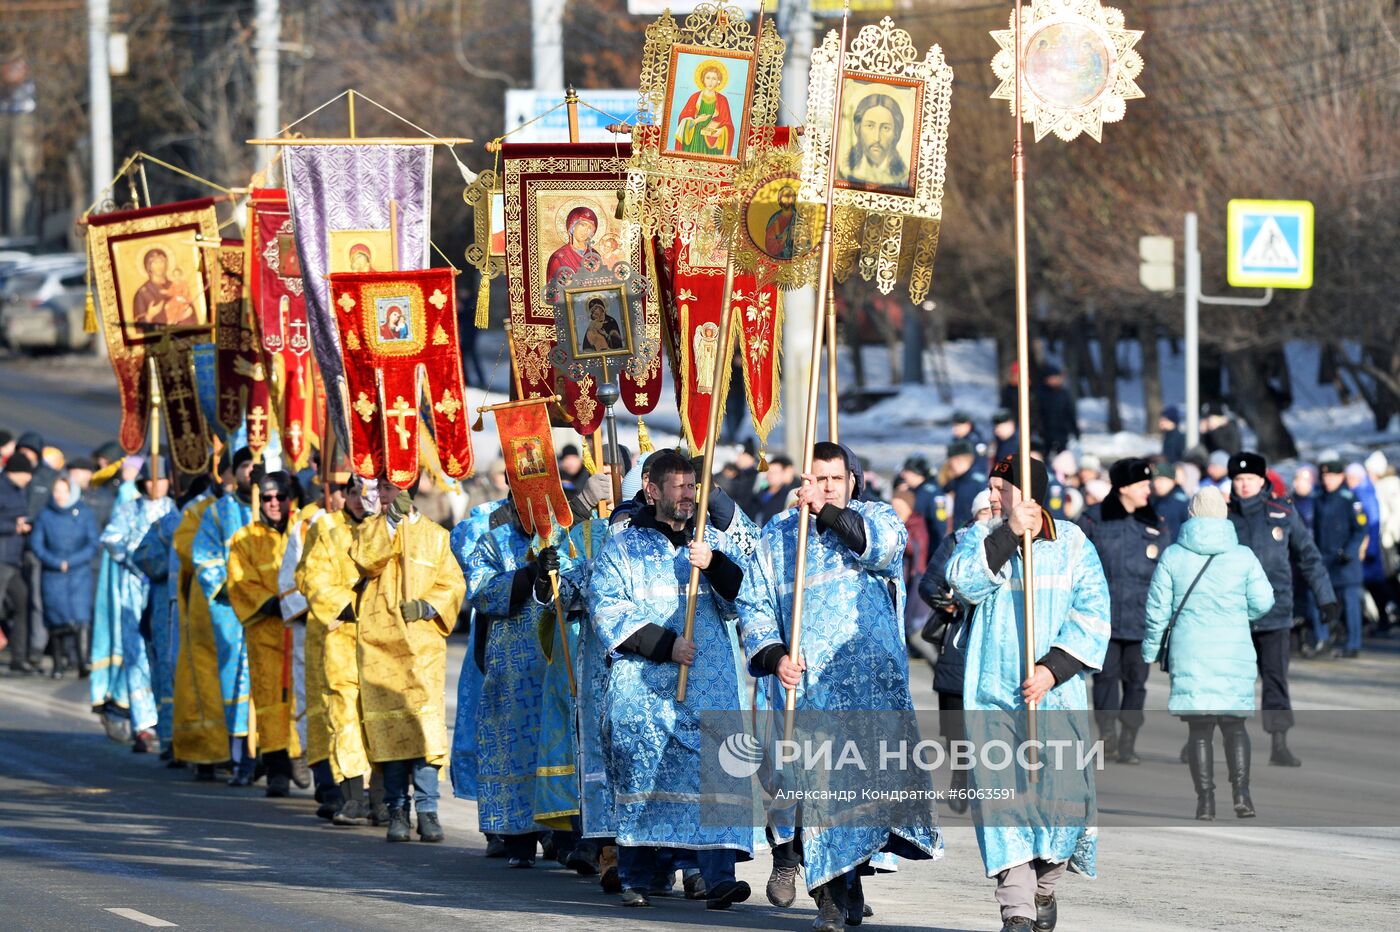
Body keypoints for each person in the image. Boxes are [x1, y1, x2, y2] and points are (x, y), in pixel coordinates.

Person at [739, 442, 940, 930]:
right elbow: (756, 605)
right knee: (823, 790)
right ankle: (830, 896)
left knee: (865, 791)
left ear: (852, 479)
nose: (827, 486)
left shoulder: (879, 518)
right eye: (818, 478)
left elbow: (882, 550)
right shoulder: (779, 535)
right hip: (812, 687)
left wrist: (827, 513)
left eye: (836, 478)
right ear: (801, 481)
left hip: (872, 686)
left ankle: (849, 883)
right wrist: (775, 656)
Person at [946, 454, 1110, 932]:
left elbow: (1094, 613)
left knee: (1062, 803)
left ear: (1029, 491)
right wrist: (1003, 536)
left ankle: (1043, 887)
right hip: (994, 697)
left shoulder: (1073, 543)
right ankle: (1015, 908)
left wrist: (1052, 669)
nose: (993, 497)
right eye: (992, 489)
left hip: (1054, 697)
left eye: (1002, 488)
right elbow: (961, 582)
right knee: (1004, 801)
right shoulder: (981, 538)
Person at [588, 450, 756, 910]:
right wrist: (665, 644)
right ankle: (639, 875)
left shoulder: (707, 542)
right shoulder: (623, 546)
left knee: (717, 770)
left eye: (692, 486)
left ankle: (718, 874)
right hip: (646, 687)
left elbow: (744, 599)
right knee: (646, 772)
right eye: (680, 486)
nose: (688, 495)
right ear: (652, 491)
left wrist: (716, 564)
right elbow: (607, 608)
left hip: (710, 681)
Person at [463, 475, 606, 867]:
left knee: (562, 748)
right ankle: (516, 838)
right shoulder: (492, 541)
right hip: (512, 670)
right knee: (514, 749)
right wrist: (527, 575)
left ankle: (563, 835)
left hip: (557, 663)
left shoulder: (571, 535)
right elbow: (480, 590)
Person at [1142, 487, 1274, 820]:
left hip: (1190, 652)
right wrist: (1235, 615)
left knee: (1199, 730)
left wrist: (1151, 650)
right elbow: (1264, 601)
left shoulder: (1173, 555)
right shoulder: (1243, 556)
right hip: (1233, 650)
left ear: (1191, 515)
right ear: (1224, 514)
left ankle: (1206, 801)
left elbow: (1157, 609)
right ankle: (1242, 795)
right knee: (1235, 725)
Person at [351, 480, 466, 844]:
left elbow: (453, 583)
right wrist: (389, 523)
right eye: (382, 489)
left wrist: (428, 605)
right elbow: (366, 562)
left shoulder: (435, 535)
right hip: (380, 648)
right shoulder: (369, 529)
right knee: (391, 734)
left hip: (422, 650)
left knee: (426, 734)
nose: (385, 495)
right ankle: (396, 809)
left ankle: (428, 810)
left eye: (391, 488)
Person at [1225, 452, 1337, 766]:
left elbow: (1309, 557)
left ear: (1263, 481)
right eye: (1239, 479)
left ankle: (1279, 743)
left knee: (1275, 680)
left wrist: (1325, 598)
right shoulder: (1222, 516)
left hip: (1275, 613)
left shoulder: (1282, 512)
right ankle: (1209, 739)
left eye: (1250, 479)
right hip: (1233, 615)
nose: (1245, 485)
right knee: (1229, 682)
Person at [298, 477, 382, 825]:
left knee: (380, 717)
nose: (362, 500)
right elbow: (311, 578)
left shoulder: (389, 530)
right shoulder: (327, 528)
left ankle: (385, 798)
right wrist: (352, 605)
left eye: (370, 494)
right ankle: (350, 794)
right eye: (354, 493)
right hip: (340, 637)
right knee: (344, 716)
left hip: (382, 641)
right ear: (344, 495)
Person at [1078, 457, 1169, 764]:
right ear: (1125, 487)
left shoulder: (1154, 523)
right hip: (1102, 618)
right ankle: (1107, 735)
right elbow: (1076, 566)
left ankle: (1129, 739)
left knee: (1136, 682)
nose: (1149, 489)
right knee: (1104, 679)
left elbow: (1166, 573)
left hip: (1141, 620)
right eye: (1143, 484)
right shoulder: (1094, 520)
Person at [918, 488, 994, 816]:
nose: (989, 518)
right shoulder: (957, 541)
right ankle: (960, 775)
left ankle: (981, 779)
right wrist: (952, 605)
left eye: (994, 511)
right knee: (953, 725)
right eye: (984, 512)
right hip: (957, 645)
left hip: (993, 644)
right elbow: (929, 584)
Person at [227, 471, 302, 797]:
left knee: (301, 694)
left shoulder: (304, 531)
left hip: (299, 628)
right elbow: (239, 581)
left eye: (280, 497)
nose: (274, 504)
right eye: (268, 498)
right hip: (267, 630)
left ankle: (301, 757)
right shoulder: (245, 538)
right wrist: (269, 602)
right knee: (270, 698)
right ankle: (276, 767)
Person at [98, 460, 175, 753]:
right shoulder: (131, 508)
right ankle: (143, 724)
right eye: (151, 480)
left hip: (161, 588)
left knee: (164, 655)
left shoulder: (173, 510)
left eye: (162, 479)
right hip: (134, 586)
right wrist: (135, 558)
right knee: (136, 654)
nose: (157, 485)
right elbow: (111, 538)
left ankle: (167, 722)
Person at [192, 448, 256, 783]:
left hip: (266, 611)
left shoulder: (276, 508)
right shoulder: (219, 512)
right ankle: (233, 751)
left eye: (256, 465)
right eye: (245, 465)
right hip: (229, 609)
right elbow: (204, 556)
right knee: (232, 674)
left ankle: (264, 752)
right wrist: (227, 588)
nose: (251, 471)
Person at [169, 466, 230, 779]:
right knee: (204, 676)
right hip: (210, 603)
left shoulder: (258, 508)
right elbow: (186, 551)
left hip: (253, 605)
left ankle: (245, 753)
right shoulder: (200, 511)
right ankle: (206, 751)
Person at [28, 472, 99, 678]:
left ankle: (81, 661)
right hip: (53, 572)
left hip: (78, 572)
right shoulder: (45, 514)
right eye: (57, 491)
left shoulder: (84, 513)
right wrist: (56, 562)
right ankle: (58, 663)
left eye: (64, 491)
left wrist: (72, 561)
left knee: (80, 617)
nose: (60, 495)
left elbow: (93, 543)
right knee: (56, 618)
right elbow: (37, 544)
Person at [1316, 457, 1367, 659]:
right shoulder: (1318, 498)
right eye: (1324, 475)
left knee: (1351, 602)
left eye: (1331, 475)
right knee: (1320, 600)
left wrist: (1349, 551)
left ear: (1341, 477)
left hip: (1345, 562)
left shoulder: (1350, 499)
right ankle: (1323, 639)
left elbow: (1360, 529)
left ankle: (1353, 644)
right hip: (1324, 560)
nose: (1327, 479)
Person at [1345, 462, 1391, 631]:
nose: (1347, 480)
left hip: (1367, 549)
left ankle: (1383, 619)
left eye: (1350, 477)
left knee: (1374, 584)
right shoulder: (1356, 493)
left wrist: (1369, 548)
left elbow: (1372, 523)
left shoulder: (1363, 494)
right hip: (1363, 547)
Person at [0, 456, 35, 672]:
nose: (30, 478)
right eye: (27, 473)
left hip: (14, 559)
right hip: (1, 557)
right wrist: (14, 526)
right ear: (17, 472)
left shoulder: (20, 490)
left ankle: (18, 658)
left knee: (23, 602)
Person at [840, 92, 909, 190]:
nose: (877, 138)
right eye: (870, 126)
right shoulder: (846, 170)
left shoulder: (903, 178)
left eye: (885, 128)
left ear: (896, 133)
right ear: (858, 129)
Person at [1363, 451, 1400, 634]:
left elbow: (1396, 512)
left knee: (1389, 577)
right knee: (1385, 578)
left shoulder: (1390, 485)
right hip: (1379, 538)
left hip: (1386, 540)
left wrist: (1389, 533)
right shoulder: (1374, 486)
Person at [673, 62, 736, 157]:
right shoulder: (694, 98)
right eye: (708, 78)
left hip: (712, 141)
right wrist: (697, 120)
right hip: (695, 139)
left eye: (714, 79)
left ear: (719, 81)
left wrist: (722, 131)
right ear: (703, 79)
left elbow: (728, 125)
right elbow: (682, 120)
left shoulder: (722, 100)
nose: (710, 82)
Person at [546, 207, 606, 284]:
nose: (586, 231)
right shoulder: (558, 258)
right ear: (572, 226)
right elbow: (553, 291)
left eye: (590, 228)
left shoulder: (595, 256)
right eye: (583, 225)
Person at [944, 440, 989, 531]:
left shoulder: (975, 482)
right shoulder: (960, 479)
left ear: (958, 460)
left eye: (951, 463)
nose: (950, 467)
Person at [1036, 366, 1078, 457]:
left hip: (1062, 433)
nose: (1054, 380)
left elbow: (1070, 413)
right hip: (1045, 434)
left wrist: (1075, 431)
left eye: (1056, 377)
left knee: (1062, 458)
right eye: (1052, 378)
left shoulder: (1064, 394)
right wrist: (1039, 430)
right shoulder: (1040, 394)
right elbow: (1037, 414)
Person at [756, 455, 799, 527]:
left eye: (774, 473)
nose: (770, 476)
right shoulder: (762, 492)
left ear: (784, 473)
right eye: (768, 473)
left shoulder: (790, 493)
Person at [1151, 461, 1190, 539]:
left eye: (1161, 480)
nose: (1156, 484)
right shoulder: (1154, 499)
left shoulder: (1181, 503)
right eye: (1154, 480)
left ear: (1172, 481)